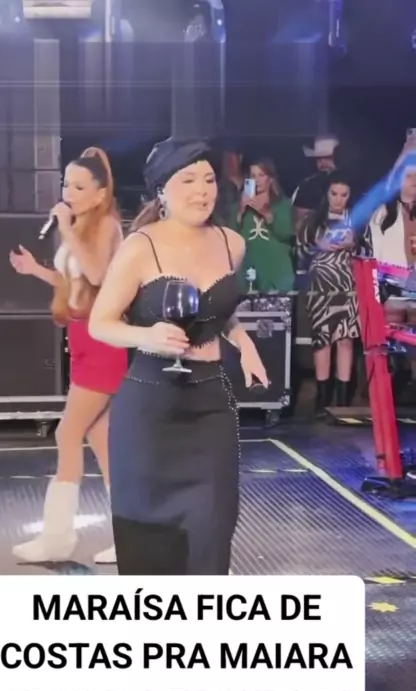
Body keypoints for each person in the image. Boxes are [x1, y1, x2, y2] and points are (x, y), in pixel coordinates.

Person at [89, 137, 269, 575]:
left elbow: (217, 311)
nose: (202, 191)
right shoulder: (140, 246)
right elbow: (100, 323)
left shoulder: (231, 243)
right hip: (149, 412)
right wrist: (146, 337)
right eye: (188, 180)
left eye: (208, 180)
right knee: (150, 550)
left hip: (210, 408)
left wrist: (243, 341)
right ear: (162, 190)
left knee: (211, 535)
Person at [9, 147, 127, 564]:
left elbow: (97, 274)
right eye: (66, 185)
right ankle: (130, 535)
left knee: (67, 433)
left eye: (78, 187)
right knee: (101, 441)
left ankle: (57, 538)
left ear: (100, 193)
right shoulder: (79, 227)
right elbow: (71, 282)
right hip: (81, 337)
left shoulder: (108, 226)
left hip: (102, 341)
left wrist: (65, 227)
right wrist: (34, 269)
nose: (68, 193)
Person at [297, 171, 372, 414]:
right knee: (322, 341)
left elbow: (370, 253)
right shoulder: (313, 220)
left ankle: (342, 401)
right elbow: (299, 252)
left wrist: (353, 245)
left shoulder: (357, 220)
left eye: (343, 194)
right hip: (321, 289)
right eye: (334, 193)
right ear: (327, 194)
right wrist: (317, 246)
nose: (338, 199)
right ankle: (322, 400)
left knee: (345, 341)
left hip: (348, 288)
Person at [230, 157, 295, 294]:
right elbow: (230, 238)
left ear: (270, 179)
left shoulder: (283, 205)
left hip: (276, 269)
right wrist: (240, 212)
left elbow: (287, 234)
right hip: (249, 268)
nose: (257, 180)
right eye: (253, 176)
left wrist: (267, 214)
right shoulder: (238, 208)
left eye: (261, 175)